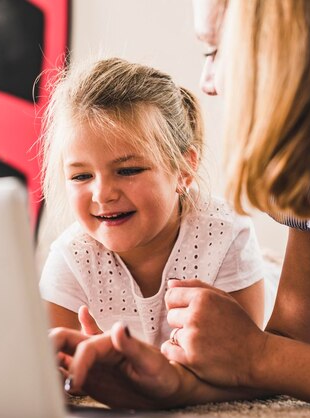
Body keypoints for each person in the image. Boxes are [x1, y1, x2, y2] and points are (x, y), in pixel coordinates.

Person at [50, 0, 310, 416]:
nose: (207, 83)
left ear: (294, 44)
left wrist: (258, 355)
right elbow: (297, 353)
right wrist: (173, 386)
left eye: (215, 51)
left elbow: (272, 358)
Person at [39, 57, 268, 346]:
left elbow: (242, 356)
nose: (102, 194)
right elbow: (53, 362)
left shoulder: (225, 235)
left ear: (184, 170)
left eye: (128, 171)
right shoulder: (71, 258)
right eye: (81, 176)